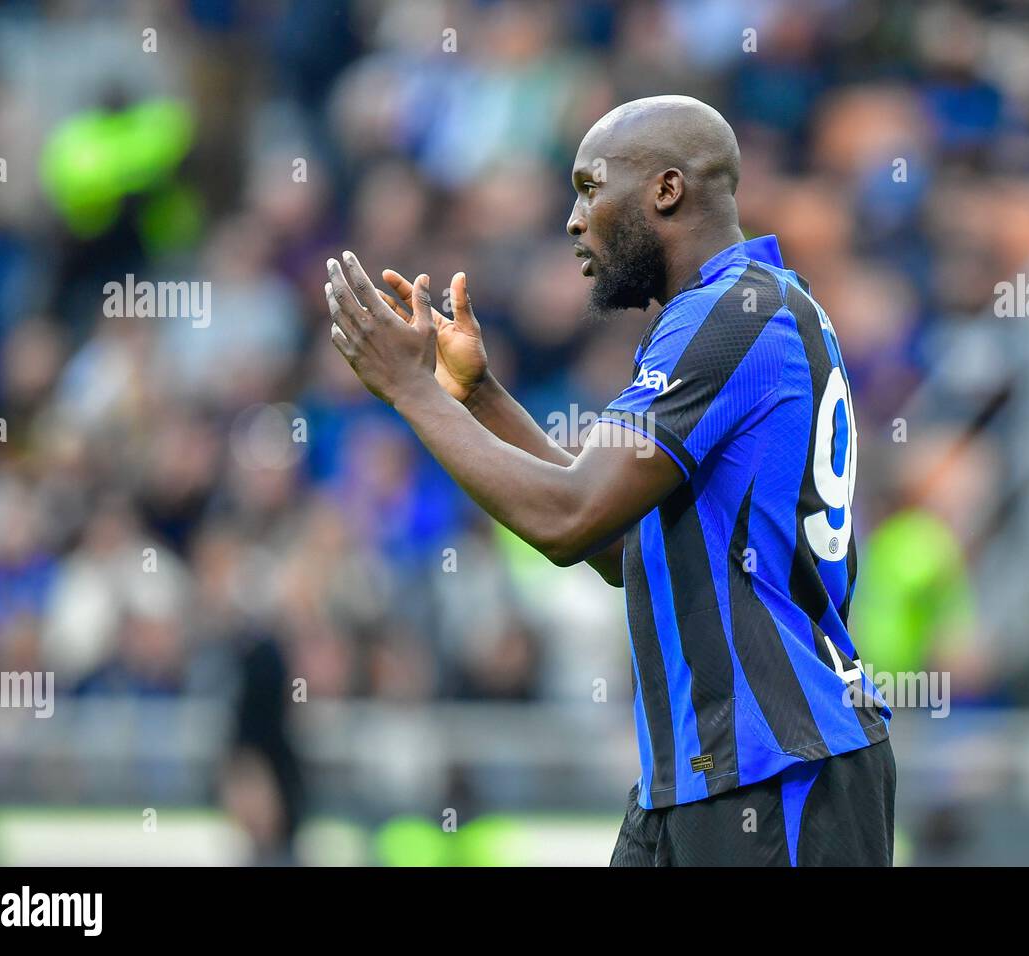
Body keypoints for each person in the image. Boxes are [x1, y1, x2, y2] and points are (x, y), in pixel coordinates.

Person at [324, 95, 894, 866]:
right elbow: (614, 543)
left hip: (778, 770)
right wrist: (477, 396)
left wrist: (409, 391)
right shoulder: (746, 308)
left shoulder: (730, 315)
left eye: (589, 187)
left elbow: (569, 519)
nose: (573, 220)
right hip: (701, 773)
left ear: (666, 190)